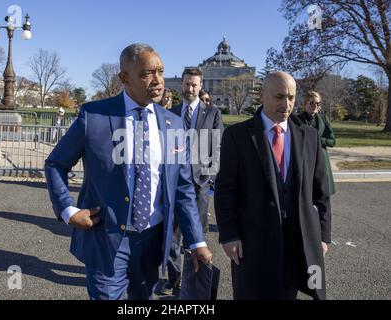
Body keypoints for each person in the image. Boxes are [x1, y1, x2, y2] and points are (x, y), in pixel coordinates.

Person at [45, 43, 212, 300]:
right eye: (147, 73)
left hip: (153, 241)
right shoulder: (94, 116)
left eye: (160, 71)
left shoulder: (173, 124)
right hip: (107, 237)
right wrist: (69, 211)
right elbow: (56, 163)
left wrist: (197, 241)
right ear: (125, 78)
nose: (158, 80)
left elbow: (183, 187)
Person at [214, 71, 331, 300]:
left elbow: (321, 192)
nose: (286, 104)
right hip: (251, 243)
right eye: (279, 97)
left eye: (291, 97)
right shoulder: (236, 136)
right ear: (262, 95)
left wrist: (324, 236)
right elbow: (225, 190)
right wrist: (228, 235)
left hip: (297, 243)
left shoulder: (309, 137)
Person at [160, 68, 222, 295]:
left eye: (194, 85)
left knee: (195, 236)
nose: (190, 89)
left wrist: (209, 179)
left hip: (199, 185)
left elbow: (216, 147)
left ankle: (190, 281)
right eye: (186, 84)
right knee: (172, 234)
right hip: (172, 183)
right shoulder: (172, 112)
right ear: (182, 84)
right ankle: (174, 279)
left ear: (200, 85)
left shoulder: (212, 113)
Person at [298, 91, 336, 195]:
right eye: (311, 103)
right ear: (305, 104)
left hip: (321, 160)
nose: (315, 106)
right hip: (304, 161)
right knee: (306, 193)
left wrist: (318, 139)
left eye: (318, 103)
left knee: (322, 194)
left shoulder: (323, 119)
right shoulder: (297, 120)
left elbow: (332, 141)